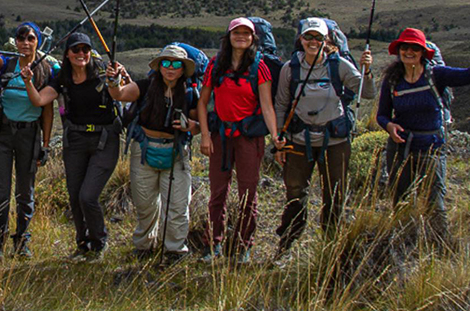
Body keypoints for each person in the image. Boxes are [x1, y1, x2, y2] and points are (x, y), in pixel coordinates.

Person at [273, 17, 375, 257]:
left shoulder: (339, 66)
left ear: (326, 40)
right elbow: (281, 104)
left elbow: (368, 93)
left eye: (318, 37)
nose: (313, 41)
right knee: (295, 193)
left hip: (335, 142)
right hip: (298, 141)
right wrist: (278, 139)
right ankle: (286, 245)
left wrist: (367, 71)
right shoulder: (290, 69)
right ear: (301, 39)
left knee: (335, 194)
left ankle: (330, 247)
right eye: (308, 36)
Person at [21, 32, 121, 261]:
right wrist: (27, 82)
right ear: (67, 53)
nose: (81, 54)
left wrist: (116, 79)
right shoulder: (62, 79)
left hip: (105, 140)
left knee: (87, 196)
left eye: (85, 49)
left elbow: (121, 93)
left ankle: (98, 243)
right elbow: (39, 100)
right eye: (76, 49)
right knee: (75, 196)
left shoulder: (103, 73)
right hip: (75, 140)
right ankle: (83, 244)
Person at [197, 17, 283, 263]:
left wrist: (275, 136)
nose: (241, 37)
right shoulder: (216, 65)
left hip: (248, 138)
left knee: (248, 194)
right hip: (220, 136)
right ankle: (213, 243)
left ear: (253, 38)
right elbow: (203, 102)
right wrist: (205, 135)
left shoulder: (259, 67)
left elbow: (267, 106)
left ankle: (244, 246)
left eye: (246, 33)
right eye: (237, 33)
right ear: (229, 36)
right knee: (218, 193)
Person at [108, 44, 199, 262]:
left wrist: (191, 126)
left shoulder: (189, 94)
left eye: (176, 64)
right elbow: (119, 94)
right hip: (144, 149)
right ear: (159, 66)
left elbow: (199, 124)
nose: (170, 67)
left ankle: (174, 250)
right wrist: (113, 80)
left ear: (183, 69)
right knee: (145, 204)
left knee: (177, 205)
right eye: (166, 63)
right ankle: (145, 245)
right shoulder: (145, 86)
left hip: (177, 152)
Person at [377, 28, 470, 238]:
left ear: (423, 52)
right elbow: (382, 115)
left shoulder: (436, 75)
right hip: (400, 147)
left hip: (431, 147)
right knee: (401, 200)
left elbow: (466, 76)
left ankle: (440, 244)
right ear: (399, 50)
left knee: (434, 202)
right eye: (405, 47)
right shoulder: (392, 80)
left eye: (415, 48)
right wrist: (389, 126)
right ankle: (404, 241)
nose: (409, 52)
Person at [0, 21, 54, 260]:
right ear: (15, 41)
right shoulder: (7, 64)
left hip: (29, 134)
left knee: (25, 192)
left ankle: (22, 241)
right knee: (1, 190)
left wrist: (46, 145)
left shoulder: (46, 70)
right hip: (2, 134)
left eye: (31, 38)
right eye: (21, 38)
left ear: (38, 42)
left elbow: (47, 111)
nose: (25, 43)